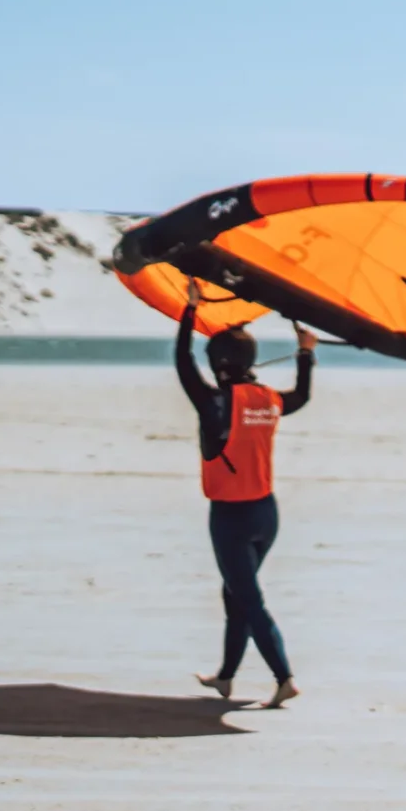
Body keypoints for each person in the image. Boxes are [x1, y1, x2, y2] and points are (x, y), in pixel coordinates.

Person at [176, 279, 315, 708]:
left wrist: (190, 310)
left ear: (218, 364)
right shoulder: (268, 399)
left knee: (248, 598)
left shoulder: (216, 403)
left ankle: (283, 676)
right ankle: (226, 677)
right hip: (266, 515)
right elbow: (303, 396)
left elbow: (181, 362)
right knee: (235, 592)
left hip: (231, 519)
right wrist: (306, 352)